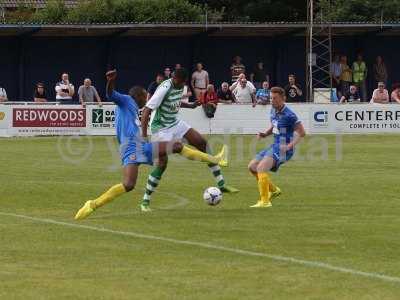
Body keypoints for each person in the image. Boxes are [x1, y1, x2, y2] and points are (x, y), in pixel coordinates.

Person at [74, 70, 228, 219]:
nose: (146, 99)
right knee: (175, 147)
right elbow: (111, 94)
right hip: (132, 147)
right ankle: (214, 159)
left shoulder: (133, 108)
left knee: (128, 184)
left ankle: (93, 205)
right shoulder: (127, 100)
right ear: (138, 95)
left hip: (132, 148)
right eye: (144, 96)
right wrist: (110, 81)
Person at [141, 68, 238, 210]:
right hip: (160, 128)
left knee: (202, 143)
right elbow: (146, 110)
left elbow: (174, 102)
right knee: (162, 164)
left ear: (183, 81)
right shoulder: (165, 88)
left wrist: (190, 105)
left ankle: (222, 184)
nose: (174, 81)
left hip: (174, 122)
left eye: (177, 80)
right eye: (173, 78)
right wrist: (144, 137)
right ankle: (145, 201)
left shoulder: (181, 86)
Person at [248, 87, 305, 208]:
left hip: (284, 148)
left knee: (261, 168)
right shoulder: (273, 110)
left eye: (275, 98)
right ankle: (274, 190)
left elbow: (302, 133)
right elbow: (274, 125)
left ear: (283, 99)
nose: (272, 101)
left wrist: (289, 146)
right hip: (275, 145)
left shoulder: (290, 115)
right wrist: (265, 134)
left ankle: (265, 202)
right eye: (271, 98)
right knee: (252, 167)